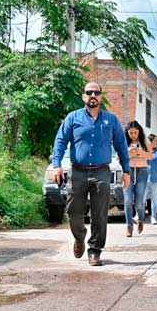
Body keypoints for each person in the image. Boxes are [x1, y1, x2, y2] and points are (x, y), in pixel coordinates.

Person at [52, 82, 130, 267]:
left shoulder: (111, 120)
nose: (92, 95)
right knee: (73, 212)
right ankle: (79, 237)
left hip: (101, 172)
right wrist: (56, 165)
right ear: (83, 96)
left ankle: (95, 251)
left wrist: (126, 171)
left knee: (100, 215)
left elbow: (121, 146)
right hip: (77, 172)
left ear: (101, 97)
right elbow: (60, 142)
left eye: (96, 92)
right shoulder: (73, 118)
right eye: (89, 92)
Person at [123, 121, 152, 236]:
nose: (133, 135)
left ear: (139, 131)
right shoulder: (124, 142)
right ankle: (129, 226)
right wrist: (127, 153)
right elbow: (118, 157)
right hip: (128, 171)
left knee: (139, 202)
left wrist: (140, 153)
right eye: (130, 133)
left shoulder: (145, 141)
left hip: (142, 171)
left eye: (135, 132)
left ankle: (140, 220)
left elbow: (150, 156)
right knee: (128, 200)